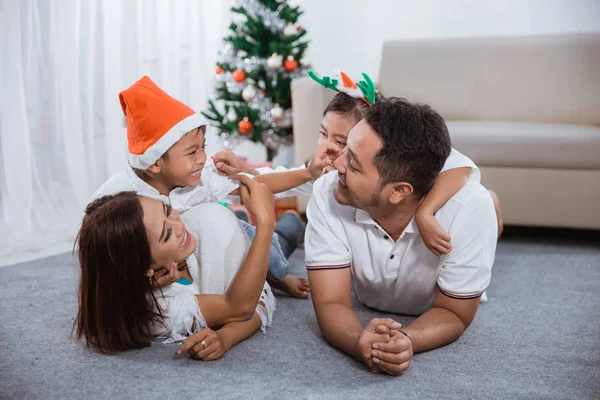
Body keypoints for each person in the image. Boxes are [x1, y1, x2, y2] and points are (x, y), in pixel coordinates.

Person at [212, 70, 503, 258]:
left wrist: (426, 212)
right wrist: (247, 173)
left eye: (340, 142)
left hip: (445, 235)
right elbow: (282, 180)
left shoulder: (399, 161)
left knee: (484, 206)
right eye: (323, 134)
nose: (327, 147)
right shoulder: (327, 173)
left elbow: (460, 166)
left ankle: (492, 210)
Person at [91, 76, 337, 298]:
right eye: (192, 152)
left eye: (203, 147)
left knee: (262, 244)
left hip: (222, 244)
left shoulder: (195, 179)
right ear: (156, 163)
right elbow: (98, 249)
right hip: (194, 255)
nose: (202, 158)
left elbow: (255, 183)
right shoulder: (117, 199)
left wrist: (307, 173)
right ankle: (284, 229)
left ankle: (280, 266)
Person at [304, 97, 498, 376]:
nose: (337, 163)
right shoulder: (327, 192)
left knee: (484, 215)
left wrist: (407, 340)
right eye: (346, 147)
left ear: (399, 191)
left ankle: (495, 211)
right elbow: (330, 302)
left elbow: (455, 313)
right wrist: (360, 342)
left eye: (355, 165)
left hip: (473, 215)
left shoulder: (470, 208)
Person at [75, 174, 278, 360]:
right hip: (257, 251)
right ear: (145, 269)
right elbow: (245, 306)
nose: (180, 226)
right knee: (280, 247)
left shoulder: (174, 233)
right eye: (167, 234)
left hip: (239, 235)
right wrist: (266, 222)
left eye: (167, 210)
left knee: (272, 246)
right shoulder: (161, 311)